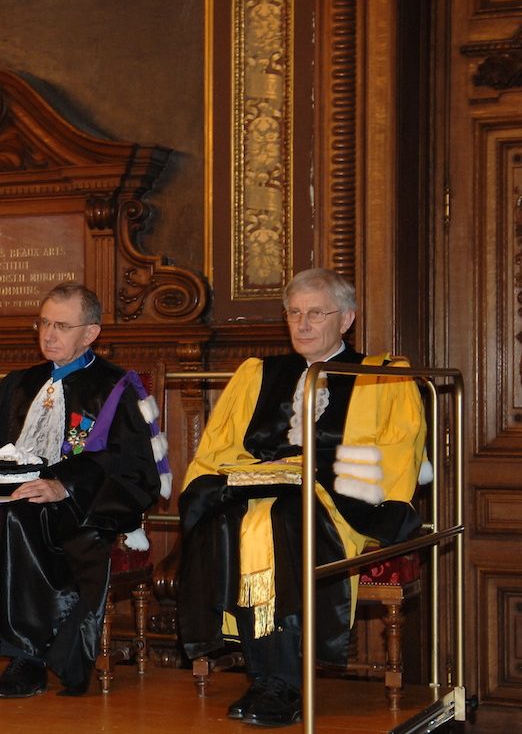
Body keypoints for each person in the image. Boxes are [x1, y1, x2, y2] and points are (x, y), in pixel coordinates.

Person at [176, 269, 426, 728]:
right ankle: (264, 676)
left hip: (338, 501)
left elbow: (394, 452)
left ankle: (286, 683)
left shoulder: (380, 377)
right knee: (225, 518)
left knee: (287, 519)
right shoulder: (260, 374)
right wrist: (256, 475)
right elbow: (219, 448)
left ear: (346, 319)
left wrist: (308, 473)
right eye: (294, 313)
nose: (303, 324)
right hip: (261, 491)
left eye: (316, 313)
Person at [0, 282, 168, 698]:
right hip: (7, 497)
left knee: (20, 516)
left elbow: (130, 467)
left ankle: (26, 657)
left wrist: (63, 484)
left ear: (90, 333)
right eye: (44, 323)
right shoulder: (19, 383)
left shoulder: (116, 388)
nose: (49, 335)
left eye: (62, 326)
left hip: (75, 506)